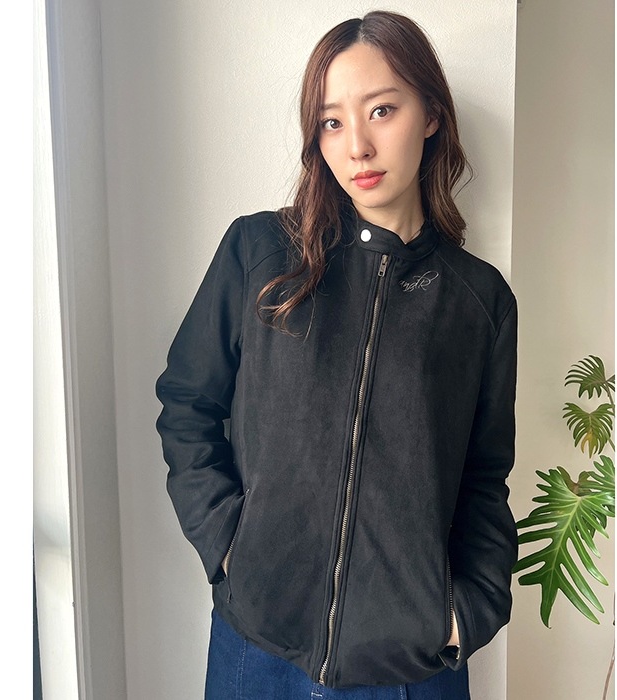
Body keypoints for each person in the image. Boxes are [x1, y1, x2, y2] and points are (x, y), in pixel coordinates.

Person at [156, 10, 517, 700]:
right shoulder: (260, 254)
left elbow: (483, 476)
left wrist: (464, 614)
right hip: (256, 649)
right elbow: (187, 405)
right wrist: (229, 547)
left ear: (431, 115)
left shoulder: (479, 302)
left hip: (410, 666)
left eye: (382, 110)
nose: (358, 146)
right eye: (331, 121)